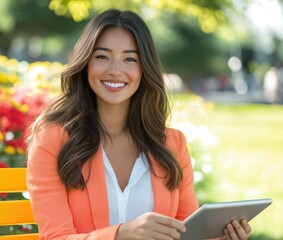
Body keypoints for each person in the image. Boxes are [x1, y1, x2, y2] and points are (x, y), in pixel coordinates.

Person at [26, 9, 252, 240]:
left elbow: (187, 233)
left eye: (130, 59)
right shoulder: (53, 139)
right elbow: (55, 236)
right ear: (86, 64)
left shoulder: (172, 144)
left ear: (144, 69)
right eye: (102, 56)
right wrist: (120, 234)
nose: (115, 70)